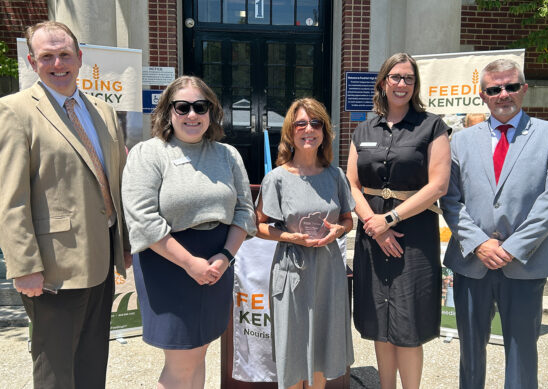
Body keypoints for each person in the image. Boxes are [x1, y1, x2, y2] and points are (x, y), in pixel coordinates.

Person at [0, 21, 132, 388]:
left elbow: (113, 180)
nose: (58, 64)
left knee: (92, 361)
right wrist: (24, 265)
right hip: (52, 267)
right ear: (31, 61)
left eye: (64, 54)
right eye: (47, 57)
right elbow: (9, 198)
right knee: (55, 369)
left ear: (79, 57)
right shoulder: (14, 111)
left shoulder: (102, 112)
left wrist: (123, 244)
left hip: (101, 260)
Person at [441, 59, 548, 389]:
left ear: (524, 89)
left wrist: (511, 248)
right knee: (470, 354)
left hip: (526, 264)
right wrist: (480, 243)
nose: (504, 94)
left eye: (511, 86)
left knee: (522, 351)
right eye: (494, 89)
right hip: (473, 262)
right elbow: (450, 199)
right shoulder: (459, 141)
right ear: (482, 95)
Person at [121, 75, 256, 388]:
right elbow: (143, 219)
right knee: (181, 363)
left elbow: (244, 212)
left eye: (200, 106)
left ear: (212, 111)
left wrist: (224, 256)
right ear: (168, 112)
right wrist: (189, 263)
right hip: (168, 264)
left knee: (200, 353)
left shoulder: (228, 155)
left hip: (218, 262)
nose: (192, 115)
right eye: (182, 107)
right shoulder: (149, 153)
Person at [346, 52, 451, 389]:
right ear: (383, 82)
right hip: (371, 234)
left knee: (408, 325)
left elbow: (438, 183)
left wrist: (389, 218)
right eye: (396, 77)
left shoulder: (432, 126)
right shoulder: (363, 128)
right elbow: (351, 184)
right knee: (380, 321)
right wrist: (375, 228)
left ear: (415, 84)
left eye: (409, 78)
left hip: (414, 235)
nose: (402, 84)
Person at [255, 98, 355, 389]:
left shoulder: (336, 176)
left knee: (322, 345)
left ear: (324, 131)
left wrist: (338, 230)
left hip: (328, 269)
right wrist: (289, 237)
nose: (308, 129)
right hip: (291, 269)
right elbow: (258, 225)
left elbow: (348, 220)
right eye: (301, 123)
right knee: (293, 345)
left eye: (315, 123)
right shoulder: (276, 178)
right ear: (290, 131)